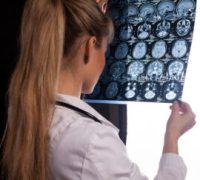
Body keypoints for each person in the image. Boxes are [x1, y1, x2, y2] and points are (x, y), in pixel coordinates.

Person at [1, 0, 196, 180]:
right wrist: (172, 137)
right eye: (104, 51)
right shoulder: (91, 142)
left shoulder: (23, 111)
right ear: (89, 47)